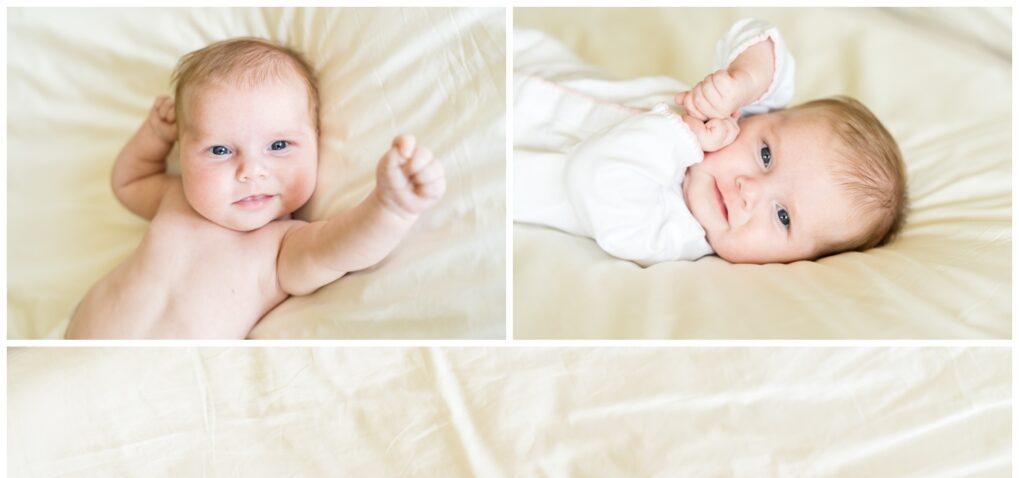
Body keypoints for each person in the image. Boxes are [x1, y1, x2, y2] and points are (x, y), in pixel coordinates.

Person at [66, 37, 446, 339]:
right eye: (219, 150)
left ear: (316, 142)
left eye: (278, 146)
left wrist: (391, 207)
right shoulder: (178, 197)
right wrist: (153, 137)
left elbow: (343, 246)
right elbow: (129, 182)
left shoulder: (281, 246)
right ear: (183, 152)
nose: (250, 171)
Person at [514, 18, 907, 265]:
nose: (748, 189)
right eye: (766, 155)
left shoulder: (669, 234)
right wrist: (743, 83)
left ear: (793, 261)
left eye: (782, 216)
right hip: (524, 58)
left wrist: (685, 136)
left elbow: (594, 174)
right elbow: (762, 39)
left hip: (497, 149)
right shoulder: (741, 117)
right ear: (766, 116)